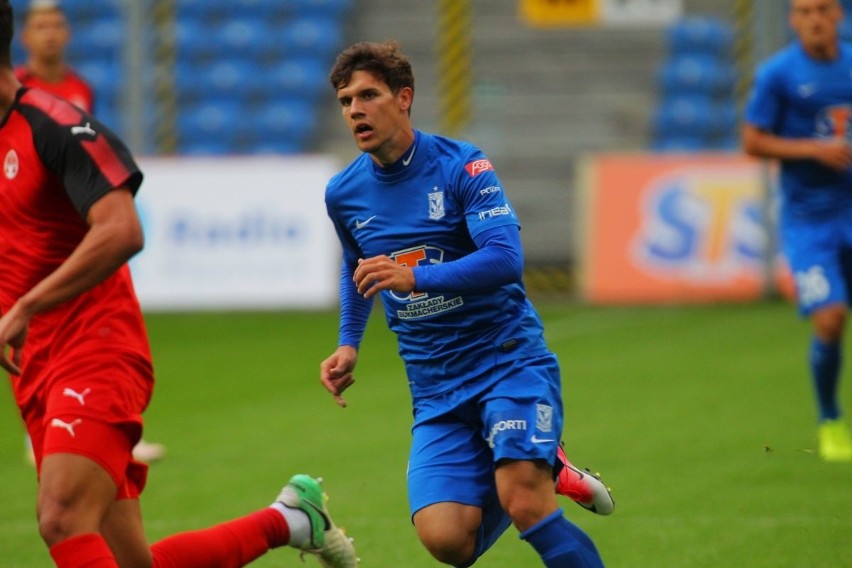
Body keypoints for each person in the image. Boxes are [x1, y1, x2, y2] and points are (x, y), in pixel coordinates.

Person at [0, 2, 357, 567]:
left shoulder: (55, 123)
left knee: (62, 517)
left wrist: (26, 305)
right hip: (34, 371)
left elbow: (121, 229)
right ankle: (289, 519)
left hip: (94, 350)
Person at [320, 40, 612, 568]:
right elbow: (355, 267)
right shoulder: (343, 193)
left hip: (506, 359)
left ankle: (536, 467)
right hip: (435, 387)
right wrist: (348, 343)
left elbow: (505, 259)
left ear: (403, 97)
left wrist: (415, 277)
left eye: (368, 95)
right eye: (345, 101)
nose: (355, 110)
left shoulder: (462, 166)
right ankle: (544, 462)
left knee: (523, 499)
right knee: (447, 540)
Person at [14, 0, 166, 465]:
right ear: (23, 37)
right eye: (40, 25)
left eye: (57, 24)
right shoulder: (16, 90)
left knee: (100, 313)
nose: (50, 33)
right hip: (38, 227)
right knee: (39, 322)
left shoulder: (80, 87)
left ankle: (102, 423)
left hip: (79, 220)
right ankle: (48, 429)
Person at [742, 0, 852, 463]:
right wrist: (813, 149)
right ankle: (830, 419)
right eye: (804, 11)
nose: (814, 19)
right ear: (792, 20)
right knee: (829, 318)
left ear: (838, 16)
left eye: (822, 9)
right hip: (810, 220)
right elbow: (752, 140)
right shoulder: (779, 74)